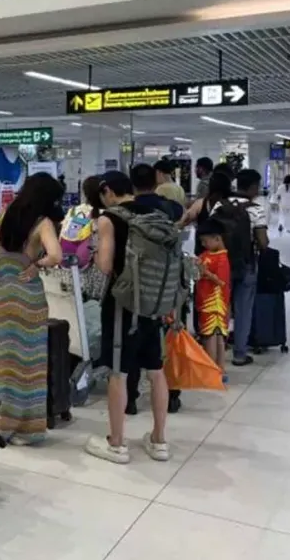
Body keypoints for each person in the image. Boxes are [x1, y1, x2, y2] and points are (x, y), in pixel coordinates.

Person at [85, 170, 169, 464]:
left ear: (108, 191)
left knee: (118, 371)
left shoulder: (109, 219)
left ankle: (117, 442)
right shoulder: (157, 213)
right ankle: (159, 440)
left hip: (123, 304)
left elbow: (106, 266)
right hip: (154, 301)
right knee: (156, 370)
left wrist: (95, 250)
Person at [0, 172, 63, 446]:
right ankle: (26, 428)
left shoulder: (6, 214)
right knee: (29, 364)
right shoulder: (42, 223)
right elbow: (56, 255)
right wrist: (37, 264)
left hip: (3, 295)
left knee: (3, 359)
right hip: (28, 298)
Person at [126, 164, 184, 415]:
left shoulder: (126, 211)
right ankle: (171, 395)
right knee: (167, 342)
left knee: (130, 343)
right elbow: (181, 216)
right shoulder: (170, 208)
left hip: (137, 285)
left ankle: (130, 399)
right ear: (155, 181)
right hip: (168, 284)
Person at [226, 169, 268, 366]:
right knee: (243, 310)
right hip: (246, 264)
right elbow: (263, 242)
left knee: (220, 308)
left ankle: (215, 351)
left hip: (221, 264)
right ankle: (240, 354)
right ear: (253, 187)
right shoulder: (256, 209)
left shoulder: (220, 205)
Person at [195, 219, 231, 377]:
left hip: (214, 302)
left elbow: (221, 281)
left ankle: (213, 371)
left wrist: (206, 272)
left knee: (211, 334)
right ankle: (218, 370)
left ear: (217, 238)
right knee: (215, 335)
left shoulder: (222, 258)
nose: (203, 244)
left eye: (205, 241)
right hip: (206, 300)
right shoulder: (207, 254)